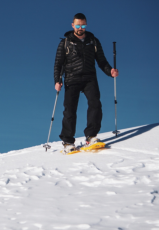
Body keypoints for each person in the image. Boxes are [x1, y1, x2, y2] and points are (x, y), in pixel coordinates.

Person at [54, 13, 119, 154]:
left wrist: (110, 71)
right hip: (71, 79)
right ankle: (68, 142)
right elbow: (58, 64)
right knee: (70, 110)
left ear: (86, 25)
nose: (80, 28)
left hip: (90, 78)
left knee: (95, 104)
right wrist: (57, 81)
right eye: (77, 25)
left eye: (83, 25)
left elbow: (101, 61)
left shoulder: (93, 41)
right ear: (72, 25)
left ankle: (91, 136)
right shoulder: (65, 42)